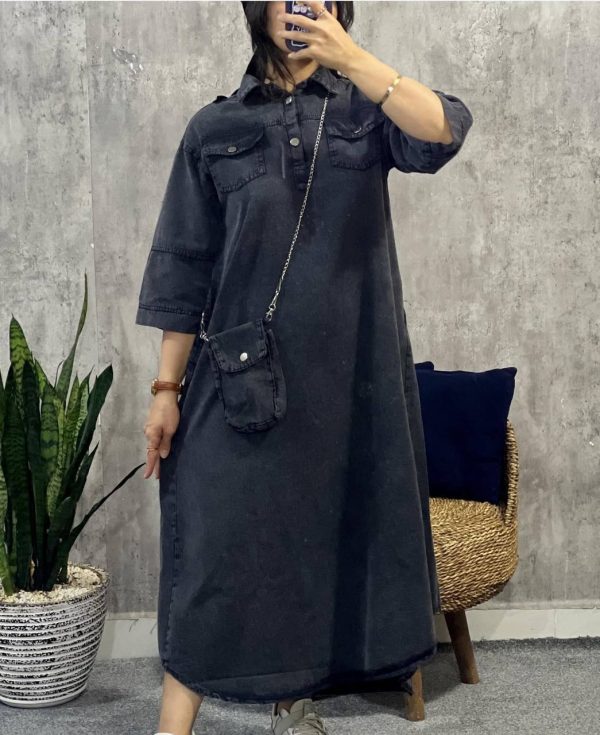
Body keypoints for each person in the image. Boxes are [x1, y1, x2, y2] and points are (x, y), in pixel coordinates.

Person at [135, 2, 473, 734]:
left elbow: (442, 130)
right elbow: (182, 267)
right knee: (214, 553)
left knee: (316, 551)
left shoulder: (369, 109)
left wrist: (353, 59)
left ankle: (294, 705)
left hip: (350, 385)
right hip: (240, 378)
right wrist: (165, 389)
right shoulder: (214, 128)